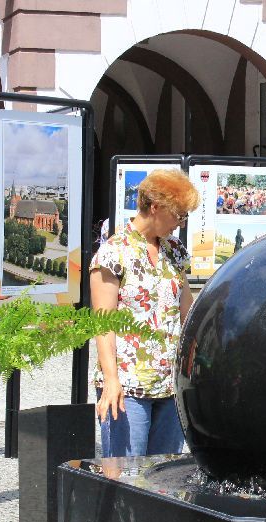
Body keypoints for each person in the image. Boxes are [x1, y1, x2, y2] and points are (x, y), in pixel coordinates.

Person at [91, 170, 199, 457]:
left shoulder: (174, 250)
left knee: (162, 477)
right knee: (128, 476)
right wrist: (111, 380)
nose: (180, 223)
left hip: (169, 383)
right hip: (128, 386)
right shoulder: (113, 253)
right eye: (178, 214)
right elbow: (103, 324)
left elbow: (187, 311)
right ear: (156, 207)